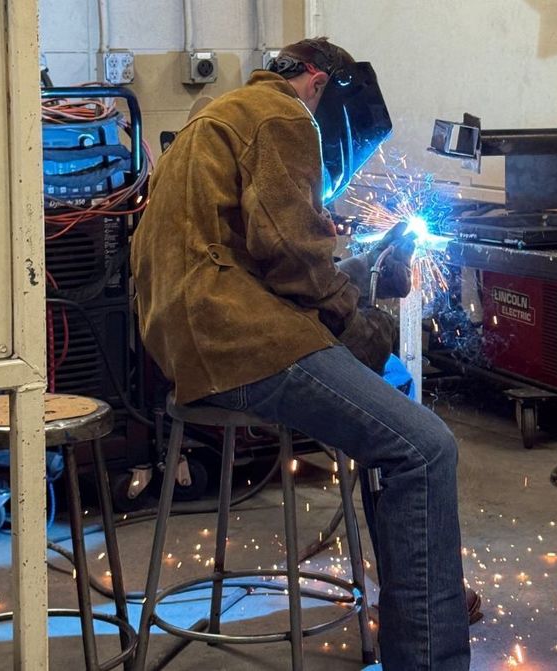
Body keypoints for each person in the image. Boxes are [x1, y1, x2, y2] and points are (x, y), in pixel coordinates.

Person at [130, 38, 471, 670]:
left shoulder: (225, 110)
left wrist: (359, 277)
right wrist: (358, 316)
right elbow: (292, 255)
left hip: (191, 341)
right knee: (426, 448)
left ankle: (416, 599)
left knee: (392, 399)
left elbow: (270, 248)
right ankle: (429, 654)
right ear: (319, 81)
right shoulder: (285, 115)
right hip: (241, 341)